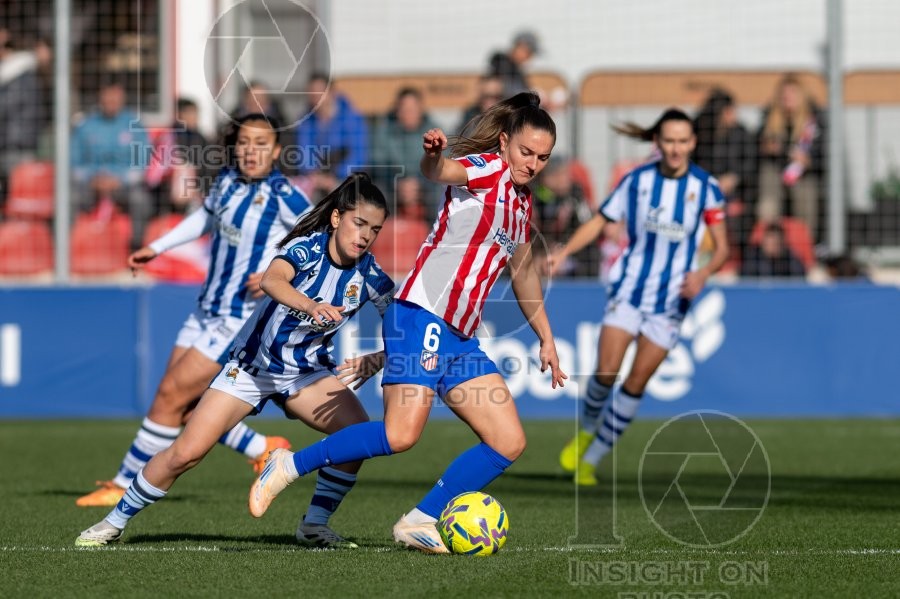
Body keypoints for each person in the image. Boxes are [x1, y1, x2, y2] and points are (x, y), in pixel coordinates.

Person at [247, 92, 567, 553]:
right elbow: (440, 172)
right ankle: (288, 465)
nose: (533, 164)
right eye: (526, 152)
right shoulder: (486, 168)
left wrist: (547, 339)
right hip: (420, 314)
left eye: (543, 157)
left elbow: (523, 271)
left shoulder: (522, 202)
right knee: (400, 434)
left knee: (508, 440)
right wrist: (433, 156)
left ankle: (420, 519)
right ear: (504, 143)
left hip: (459, 335)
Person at [76, 173, 395, 548]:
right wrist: (310, 305)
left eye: (374, 229)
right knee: (186, 453)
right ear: (338, 218)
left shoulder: (371, 275)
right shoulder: (306, 249)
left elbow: (407, 326)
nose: (365, 236)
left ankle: (314, 525)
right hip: (250, 369)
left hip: (305, 374)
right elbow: (272, 281)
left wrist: (380, 357)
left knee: (356, 434)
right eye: (359, 223)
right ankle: (113, 522)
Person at [75, 113, 311, 508]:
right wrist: (158, 246)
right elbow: (204, 218)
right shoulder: (226, 183)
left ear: (275, 151)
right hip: (206, 309)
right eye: (245, 142)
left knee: (170, 396)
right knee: (182, 405)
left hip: (238, 319)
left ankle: (122, 484)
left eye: (261, 144)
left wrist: (278, 271)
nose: (251, 151)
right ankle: (262, 447)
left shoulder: (284, 196)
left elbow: (314, 243)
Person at [552, 108, 729, 486]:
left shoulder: (706, 188)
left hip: (671, 303)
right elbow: (599, 220)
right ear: (657, 142)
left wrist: (703, 273)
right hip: (629, 290)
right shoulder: (638, 181)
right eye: (669, 141)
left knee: (635, 383)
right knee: (605, 372)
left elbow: (723, 249)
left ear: (693, 142)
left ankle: (593, 459)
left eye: (683, 141)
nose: (676, 148)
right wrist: (564, 251)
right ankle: (584, 435)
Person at [70, 78, 152, 250]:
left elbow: (143, 161)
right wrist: (93, 178)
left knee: (140, 200)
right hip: (90, 185)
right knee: (69, 199)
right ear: (100, 98)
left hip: (123, 185)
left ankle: (135, 250)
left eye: (115, 97)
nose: (111, 101)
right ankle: (65, 252)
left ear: (122, 98)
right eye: (107, 97)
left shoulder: (134, 125)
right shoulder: (86, 125)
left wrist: (120, 179)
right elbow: (74, 162)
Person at [756, 74, 826, 243]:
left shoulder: (814, 122)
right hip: (775, 175)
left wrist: (808, 161)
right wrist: (766, 148)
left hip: (803, 176)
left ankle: (805, 246)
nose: (787, 98)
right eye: (784, 94)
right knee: (768, 200)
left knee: (805, 194)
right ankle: (768, 244)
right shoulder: (769, 119)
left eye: (792, 93)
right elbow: (754, 150)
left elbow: (825, 156)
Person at [692, 88, 757, 263]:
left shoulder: (742, 134)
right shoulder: (699, 135)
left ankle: (738, 262)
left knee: (739, 219)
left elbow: (751, 164)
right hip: (704, 192)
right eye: (729, 111)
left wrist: (734, 178)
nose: (734, 115)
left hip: (737, 193)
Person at [294, 72, 369, 202]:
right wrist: (314, 174)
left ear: (332, 92)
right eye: (312, 92)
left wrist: (336, 177)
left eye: (320, 92)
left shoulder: (352, 118)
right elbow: (303, 152)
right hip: (316, 179)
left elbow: (358, 156)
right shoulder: (305, 121)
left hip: (346, 178)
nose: (316, 97)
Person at [370, 87, 440, 212]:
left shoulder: (435, 132)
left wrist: (419, 184)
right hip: (393, 187)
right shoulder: (384, 131)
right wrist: (397, 183)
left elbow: (441, 164)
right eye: (404, 110)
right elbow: (377, 164)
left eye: (412, 109)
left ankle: (436, 230)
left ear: (420, 109)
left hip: (426, 185)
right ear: (397, 111)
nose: (408, 114)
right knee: (375, 193)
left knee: (441, 193)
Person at [740, 221, 806, 278]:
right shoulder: (753, 258)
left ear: (782, 243)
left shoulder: (790, 259)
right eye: (769, 243)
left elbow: (799, 279)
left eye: (775, 243)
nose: (772, 246)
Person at [487, 31, 540, 97]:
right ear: (521, 46)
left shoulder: (517, 69)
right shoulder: (500, 60)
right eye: (529, 54)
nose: (529, 59)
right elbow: (506, 89)